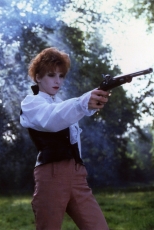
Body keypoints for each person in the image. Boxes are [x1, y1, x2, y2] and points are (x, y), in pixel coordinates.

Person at [20, 47, 110, 230]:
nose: (57, 81)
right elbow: (52, 119)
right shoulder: (32, 102)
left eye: (61, 76)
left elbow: (67, 119)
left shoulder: (61, 104)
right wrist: (83, 102)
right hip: (51, 174)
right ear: (38, 77)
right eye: (52, 75)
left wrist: (92, 101)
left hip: (77, 175)